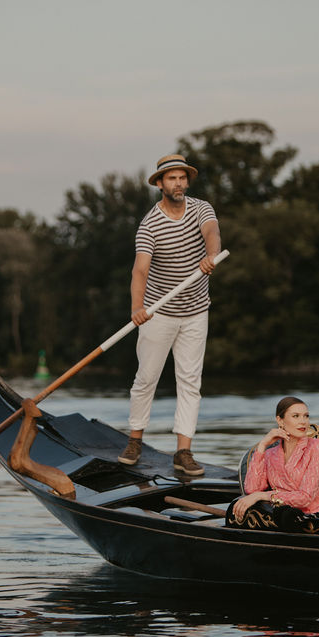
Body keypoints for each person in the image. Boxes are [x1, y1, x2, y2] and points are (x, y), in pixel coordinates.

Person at [117, 154, 222, 477]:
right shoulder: (150, 224)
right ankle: (135, 441)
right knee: (146, 377)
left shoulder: (202, 208)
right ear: (160, 184)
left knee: (190, 381)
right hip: (158, 311)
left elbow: (212, 233)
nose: (177, 183)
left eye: (181, 178)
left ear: (187, 181)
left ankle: (183, 451)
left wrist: (211, 255)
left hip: (195, 312)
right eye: (170, 178)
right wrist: (137, 308)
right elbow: (140, 270)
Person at [233, 396, 319, 523]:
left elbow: (306, 497)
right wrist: (262, 446)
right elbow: (251, 489)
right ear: (280, 421)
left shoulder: (318, 446)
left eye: (306, 416)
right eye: (296, 416)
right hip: (287, 516)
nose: (303, 421)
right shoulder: (270, 454)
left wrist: (263, 495)